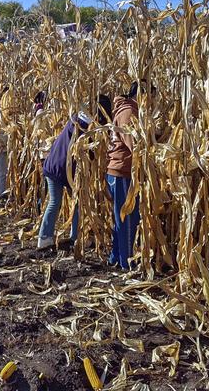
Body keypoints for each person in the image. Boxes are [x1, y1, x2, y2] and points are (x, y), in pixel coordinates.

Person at [37, 94, 112, 249]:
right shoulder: (86, 127)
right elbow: (87, 151)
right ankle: (45, 238)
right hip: (61, 170)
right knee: (56, 202)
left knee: (76, 202)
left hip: (59, 167)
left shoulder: (78, 118)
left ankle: (74, 236)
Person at [106, 81, 153, 270]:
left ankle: (116, 257)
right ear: (142, 95)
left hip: (120, 172)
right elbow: (134, 145)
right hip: (122, 172)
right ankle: (127, 264)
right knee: (127, 219)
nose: (152, 102)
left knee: (121, 218)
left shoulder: (129, 110)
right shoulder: (128, 112)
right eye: (151, 96)